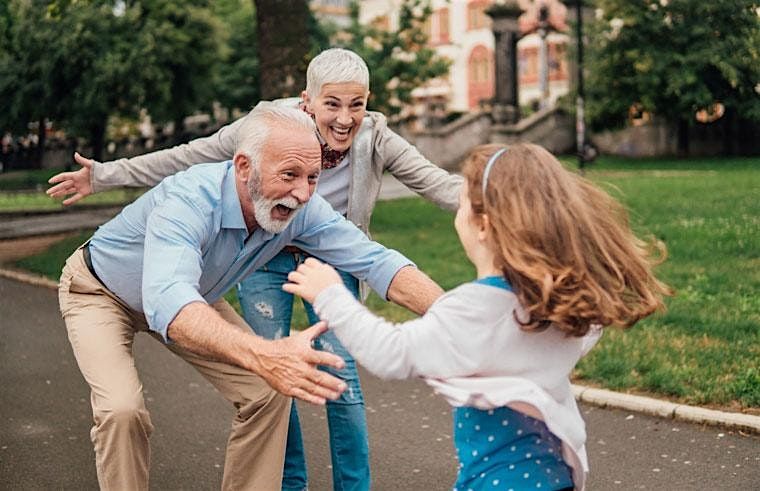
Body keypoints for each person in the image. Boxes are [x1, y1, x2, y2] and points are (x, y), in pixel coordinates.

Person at [47, 47, 462, 490]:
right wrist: (265, 354)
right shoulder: (188, 201)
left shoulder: (306, 204)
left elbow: (378, 262)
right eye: (288, 176)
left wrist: (455, 317)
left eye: (313, 178)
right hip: (101, 292)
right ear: (244, 167)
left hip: (193, 298)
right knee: (122, 410)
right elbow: (168, 299)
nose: (303, 194)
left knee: (268, 392)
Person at [284, 143, 672, 491]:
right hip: (556, 477)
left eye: (462, 201)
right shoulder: (563, 305)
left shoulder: (473, 310)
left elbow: (390, 353)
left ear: (483, 225)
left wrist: (331, 294)